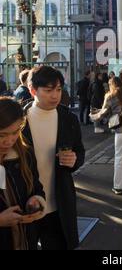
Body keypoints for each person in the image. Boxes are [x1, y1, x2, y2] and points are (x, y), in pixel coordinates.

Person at [24, 66, 85, 250]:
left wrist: (75, 160)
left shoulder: (68, 119)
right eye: (48, 90)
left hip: (59, 203)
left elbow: (80, 152)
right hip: (26, 203)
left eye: (58, 90)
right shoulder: (19, 120)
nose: (55, 96)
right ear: (32, 90)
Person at [0, 97, 46, 250]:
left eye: (15, 132)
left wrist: (36, 201)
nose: (9, 140)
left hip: (27, 239)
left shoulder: (25, 154)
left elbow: (37, 187)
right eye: (2, 135)